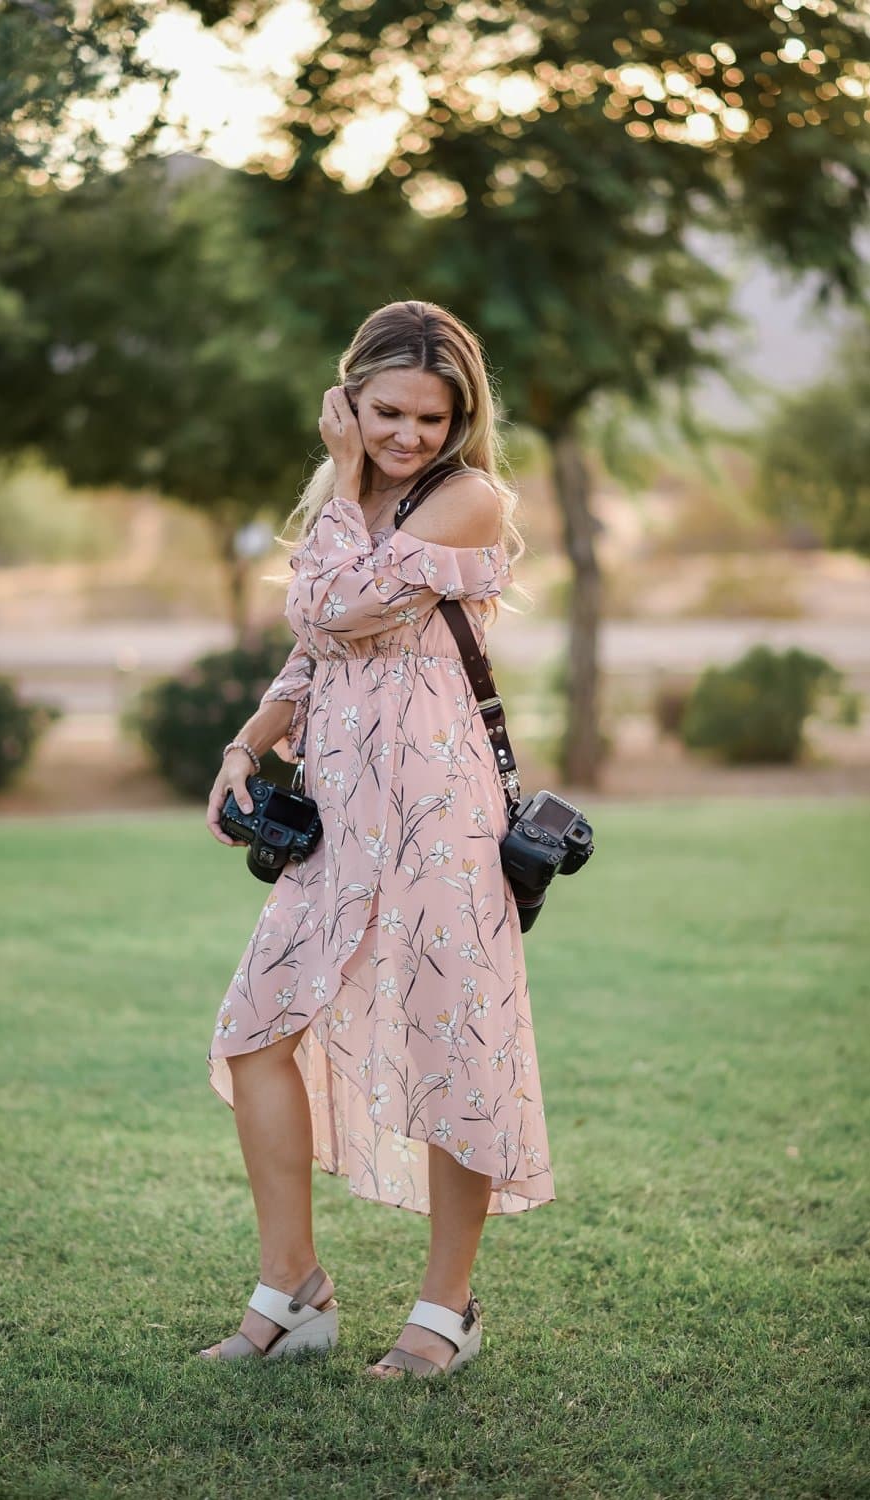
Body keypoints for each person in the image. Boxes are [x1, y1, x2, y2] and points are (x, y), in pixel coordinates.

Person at [201, 300, 555, 1377]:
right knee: (255, 1027)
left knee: (454, 1047)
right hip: (340, 822)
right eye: (385, 412)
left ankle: (444, 1311)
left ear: (461, 417)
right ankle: (292, 1291)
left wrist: (347, 473)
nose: (407, 435)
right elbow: (318, 649)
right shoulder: (351, 504)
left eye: (429, 417)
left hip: (442, 818)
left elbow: (335, 599)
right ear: (348, 396)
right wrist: (246, 742)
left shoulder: (467, 500)